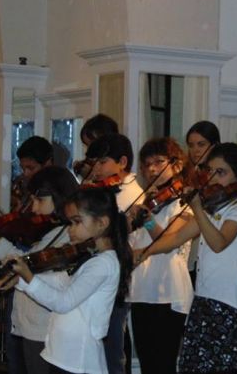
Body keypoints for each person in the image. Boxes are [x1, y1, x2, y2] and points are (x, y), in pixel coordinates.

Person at [135, 143, 237, 373]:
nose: (212, 178)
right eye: (209, 171)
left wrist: (198, 209)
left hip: (228, 305)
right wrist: (143, 253)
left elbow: (219, 243)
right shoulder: (212, 209)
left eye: (220, 172)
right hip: (203, 302)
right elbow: (176, 238)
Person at [8, 186, 133, 374]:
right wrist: (21, 280)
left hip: (78, 360)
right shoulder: (92, 257)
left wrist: (29, 278)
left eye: (76, 222)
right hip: (65, 356)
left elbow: (63, 303)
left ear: (102, 223)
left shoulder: (103, 264)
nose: (70, 230)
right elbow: (60, 280)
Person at [0, 166, 78, 374]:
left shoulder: (67, 236)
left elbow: (33, 269)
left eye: (39, 201)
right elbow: (25, 262)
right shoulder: (49, 234)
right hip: (28, 326)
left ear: (59, 197)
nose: (34, 209)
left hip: (44, 328)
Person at [127, 137, 194, 373]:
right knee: (147, 364)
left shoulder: (185, 202)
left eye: (159, 162)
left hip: (169, 290)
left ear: (177, 165)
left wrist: (146, 221)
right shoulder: (148, 201)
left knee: (164, 364)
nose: (152, 168)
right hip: (141, 289)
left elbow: (168, 241)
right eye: (147, 164)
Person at [86, 133, 143, 374]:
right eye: (94, 164)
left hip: (118, 275)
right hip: (105, 273)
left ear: (122, 162)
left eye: (102, 163)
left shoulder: (131, 193)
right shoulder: (107, 190)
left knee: (112, 350)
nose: (96, 170)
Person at [184, 121, 220, 284]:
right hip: (194, 247)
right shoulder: (191, 174)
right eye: (191, 145)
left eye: (201, 144)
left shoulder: (219, 178)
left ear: (215, 145)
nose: (195, 150)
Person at [12, 136, 54, 212]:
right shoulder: (25, 185)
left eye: (31, 168)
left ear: (47, 164)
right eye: (22, 168)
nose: (25, 174)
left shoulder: (57, 191)